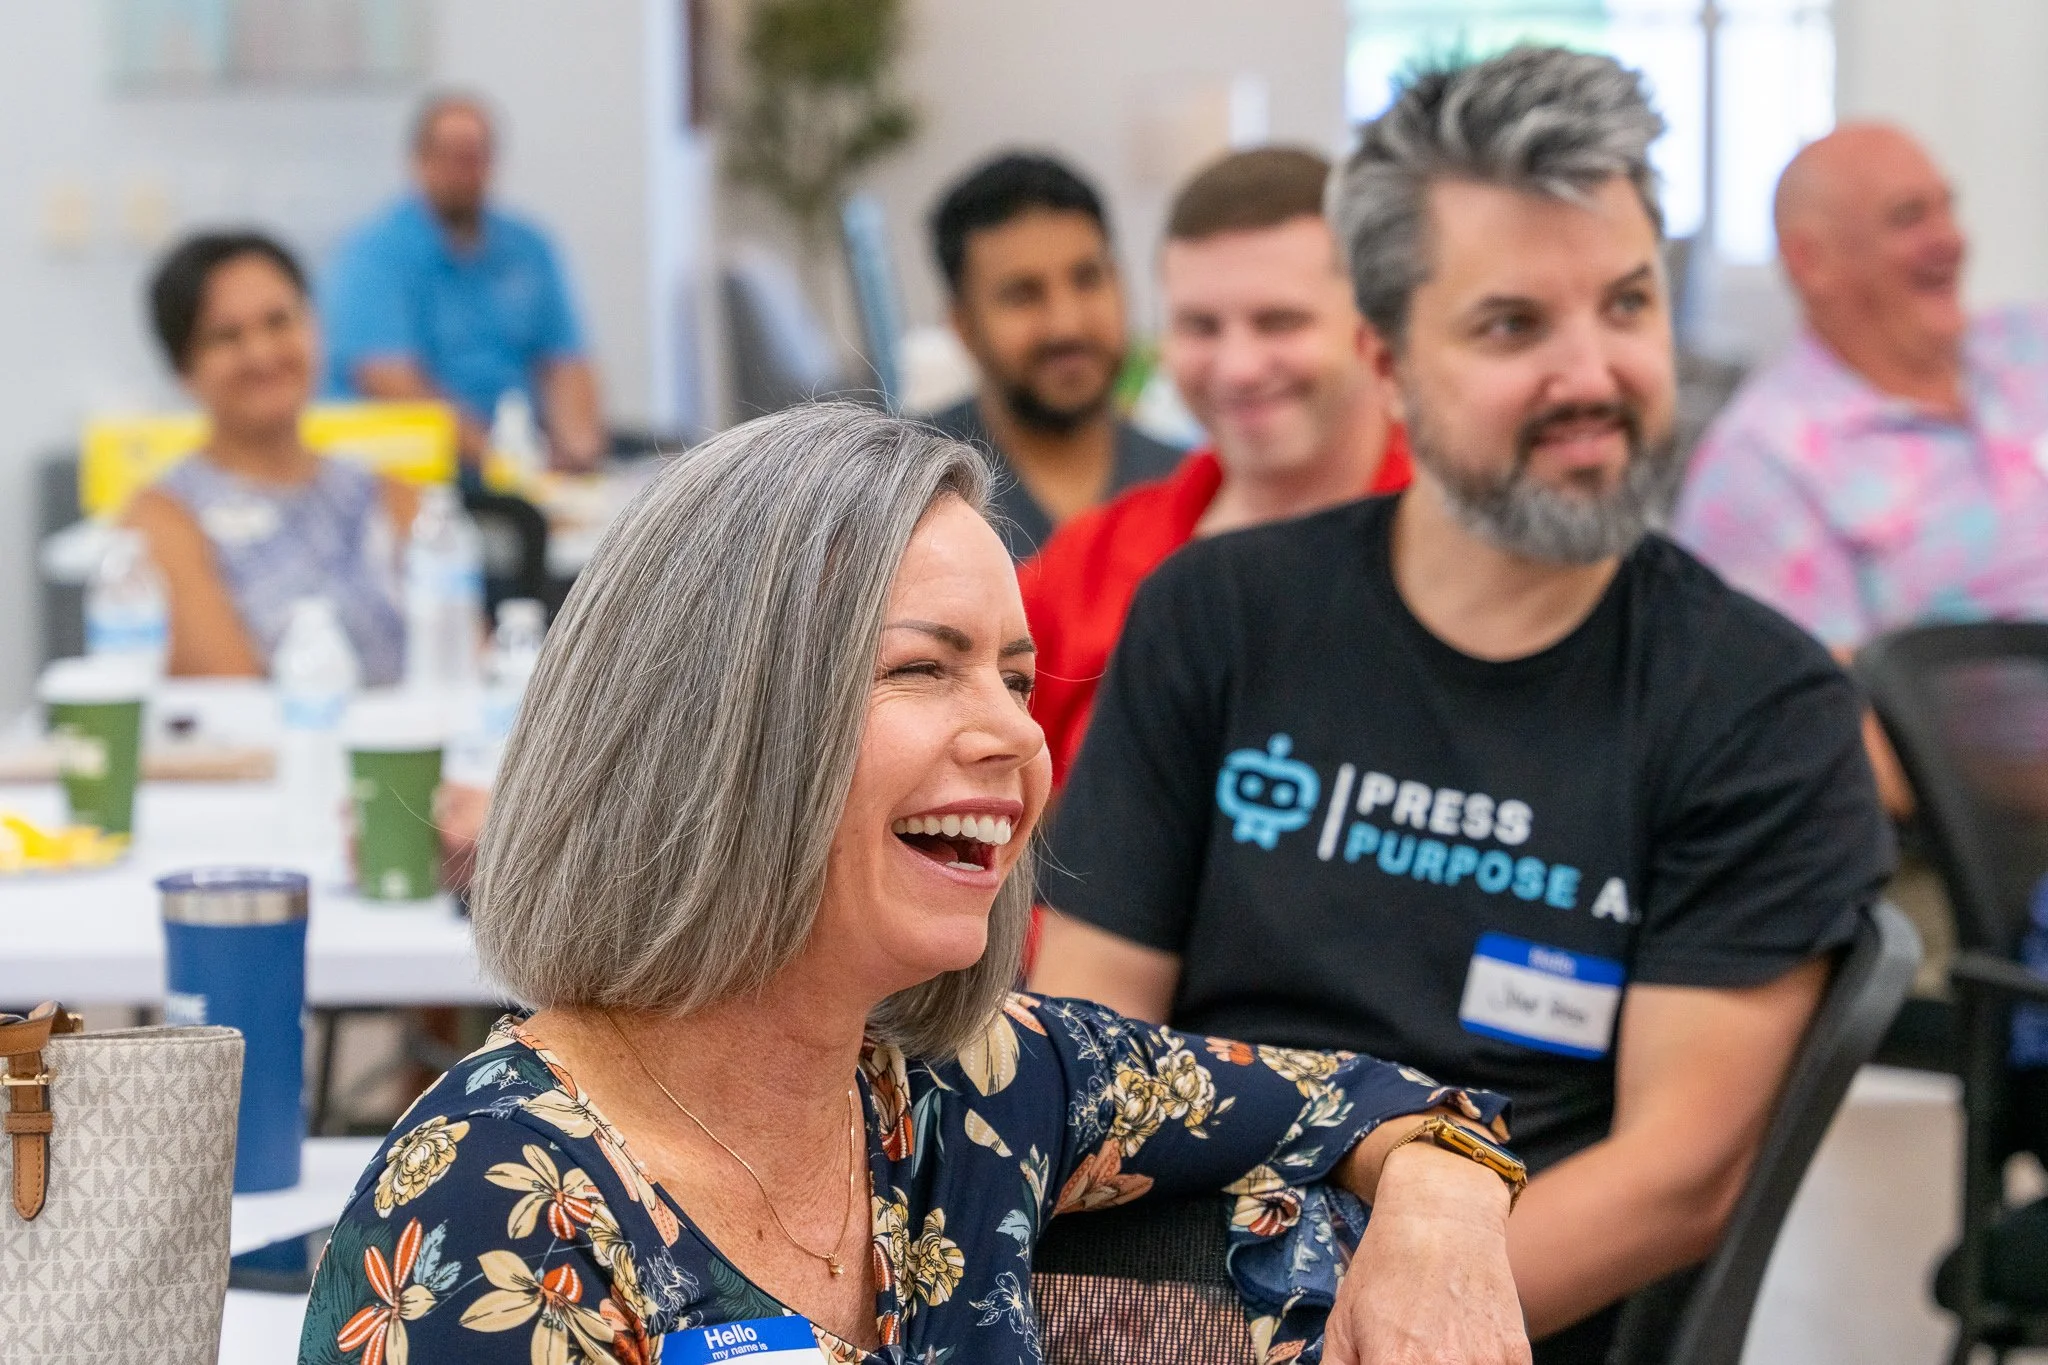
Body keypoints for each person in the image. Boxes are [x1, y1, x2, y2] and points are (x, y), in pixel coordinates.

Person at [299, 403, 1532, 1365]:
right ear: (718, 731)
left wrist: (1438, 1217)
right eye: (922, 671)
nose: (1013, 735)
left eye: (1012, 674)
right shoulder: (496, 1213)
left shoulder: (969, 1087)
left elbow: (1376, 1100)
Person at [1029, 47, 1894, 1364]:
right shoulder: (1217, 614)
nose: (1592, 373)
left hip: (1491, 1312)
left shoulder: (1757, 704)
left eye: (1626, 302)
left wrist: (1329, 1338)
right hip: (1154, 1286)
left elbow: (1674, 1179)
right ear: (1387, 361)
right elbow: (1089, 1041)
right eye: (1512, 326)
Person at [1672, 122, 2048, 816]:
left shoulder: (2027, 347)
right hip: (1992, 847)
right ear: (1811, 262)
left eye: (1946, 207)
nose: (1951, 239)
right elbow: (1819, 741)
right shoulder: (1762, 467)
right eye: (1909, 217)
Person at [1021, 146, 1411, 786]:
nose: (1237, 367)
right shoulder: (1089, 564)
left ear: (1375, 325)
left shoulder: (1467, 558)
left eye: (1278, 321)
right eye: (1200, 326)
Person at [125, 231, 412, 686]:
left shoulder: (392, 497)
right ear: (183, 370)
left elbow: (470, 675)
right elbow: (236, 703)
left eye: (278, 322)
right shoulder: (163, 521)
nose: (261, 353)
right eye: (226, 336)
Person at [320, 91, 605, 472]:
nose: (465, 171)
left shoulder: (530, 248)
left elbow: (566, 360)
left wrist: (578, 448)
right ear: (419, 161)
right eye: (451, 156)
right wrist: (502, 462)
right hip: (423, 469)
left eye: (476, 157)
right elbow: (392, 384)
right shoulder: (374, 255)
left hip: (526, 452)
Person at [923, 153, 1181, 557]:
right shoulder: (909, 496)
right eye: (1022, 295)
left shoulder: (1190, 492)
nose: (1066, 325)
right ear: (962, 326)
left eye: (1087, 279)